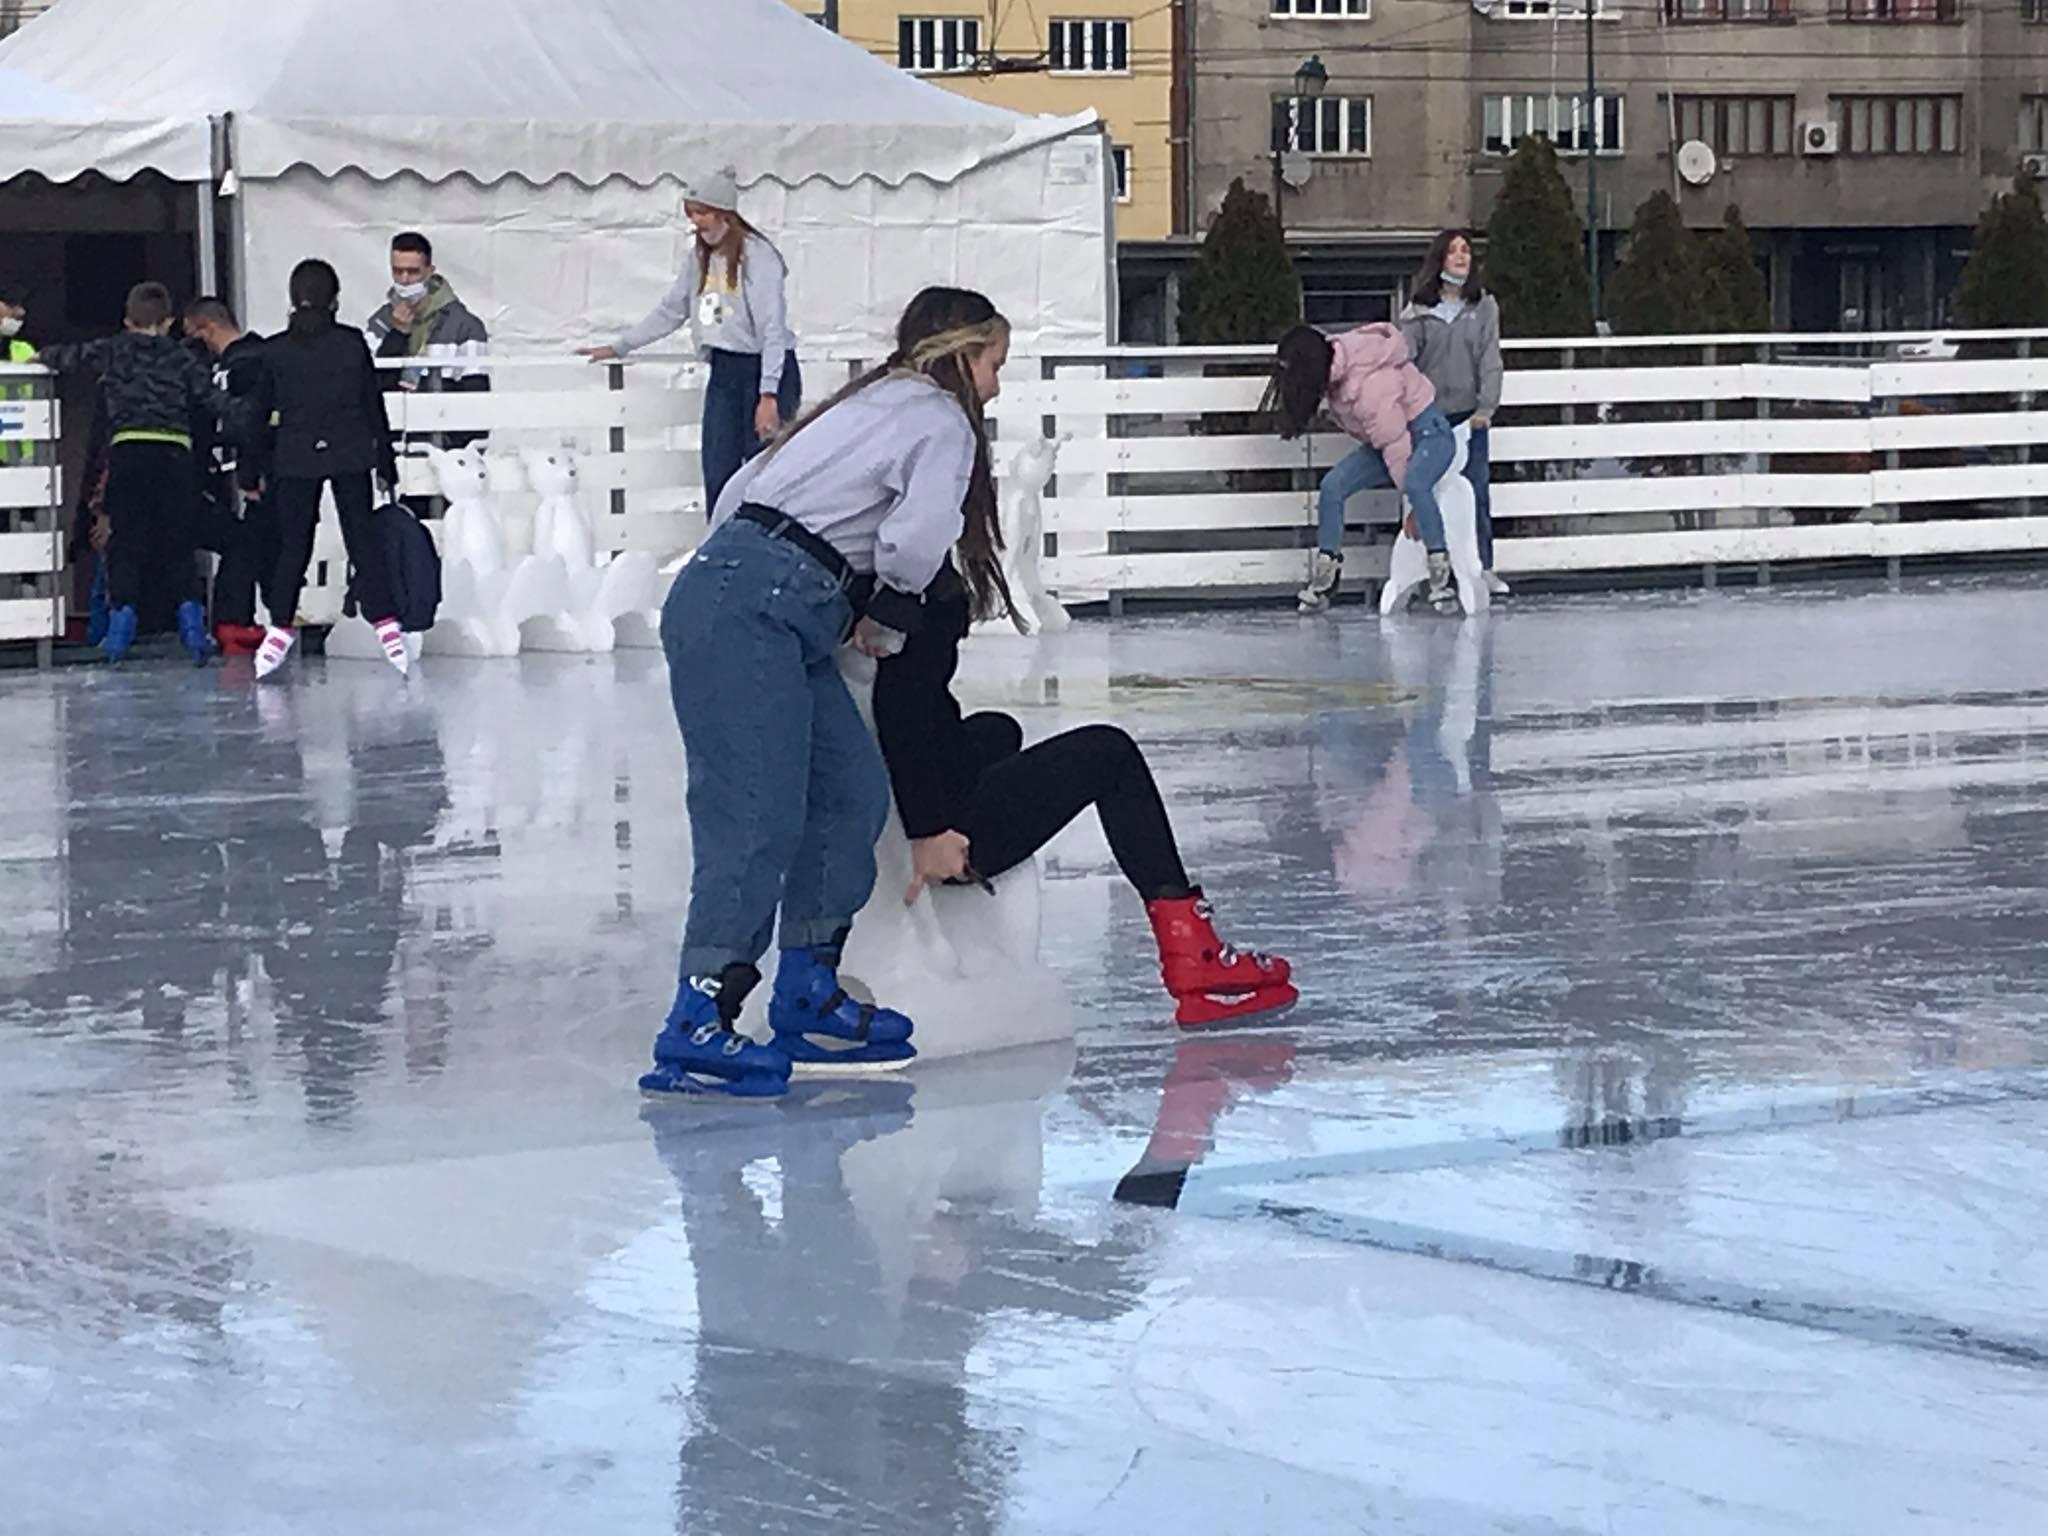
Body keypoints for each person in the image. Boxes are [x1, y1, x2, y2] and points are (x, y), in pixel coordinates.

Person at [644, 286, 1000, 1100]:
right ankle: (699, 1017)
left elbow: (739, 491)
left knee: (848, 794)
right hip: (754, 611)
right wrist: (888, 613)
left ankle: (807, 990)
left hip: (758, 597)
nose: (996, 386)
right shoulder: (943, 420)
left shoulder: (861, 401)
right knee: (756, 813)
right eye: (994, 365)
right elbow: (918, 536)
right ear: (962, 356)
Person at [871, 571, 1297, 1030]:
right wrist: (928, 829)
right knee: (1108, 755)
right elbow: (900, 704)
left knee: (998, 729)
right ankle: (1193, 952)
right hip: (918, 811)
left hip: (898, 774)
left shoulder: (878, 566)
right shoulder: (911, 573)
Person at [583, 166, 800, 517]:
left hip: (763, 368)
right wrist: (622, 345)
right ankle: (719, 544)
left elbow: (771, 328)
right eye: (692, 214)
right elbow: (672, 309)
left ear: (724, 213)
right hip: (726, 369)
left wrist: (769, 394)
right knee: (719, 468)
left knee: (764, 469)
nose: (696, 222)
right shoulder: (699, 259)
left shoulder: (758, 258)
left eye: (702, 213)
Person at [38, 281, 221, 665]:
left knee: (126, 544)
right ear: (170, 321)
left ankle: (119, 631)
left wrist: (33, 356)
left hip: (129, 451)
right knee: (177, 541)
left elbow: (66, 358)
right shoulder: (181, 357)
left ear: (127, 321)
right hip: (174, 454)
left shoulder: (112, 350)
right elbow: (212, 400)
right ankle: (192, 629)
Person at [251, 259, 408, 681]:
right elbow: (372, 405)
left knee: (293, 544)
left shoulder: (276, 350)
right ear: (335, 299)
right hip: (349, 449)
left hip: (296, 454)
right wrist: (386, 460)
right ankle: (387, 623)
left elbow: (259, 414)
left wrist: (252, 470)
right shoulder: (351, 343)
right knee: (362, 537)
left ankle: (280, 624)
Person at [1268, 323, 1458, 616]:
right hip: (1387, 438)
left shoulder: (1368, 385)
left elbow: (1397, 444)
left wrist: (1414, 508)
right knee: (1333, 486)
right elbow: (1386, 438)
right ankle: (1326, 575)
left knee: (1418, 484)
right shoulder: (1336, 371)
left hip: (1429, 435)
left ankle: (1442, 574)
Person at [1401, 229, 1508, 597]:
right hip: (1428, 419)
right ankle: (1425, 572)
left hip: (1469, 416)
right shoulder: (1417, 311)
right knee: (1425, 492)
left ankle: (1483, 567)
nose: (1461, 257)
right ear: (1439, 260)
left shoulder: (1483, 307)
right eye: (1453, 251)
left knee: (1475, 492)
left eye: (1466, 251)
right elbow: (1405, 363)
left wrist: (1486, 407)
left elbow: (1490, 359)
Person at [182, 296, 274, 649]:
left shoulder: (245, 364)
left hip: (249, 470)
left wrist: (250, 471)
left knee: (251, 542)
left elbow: (251, 422)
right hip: (222, 471)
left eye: (195, 334)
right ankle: (237, 620)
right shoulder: (229, 364)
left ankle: (236, 620)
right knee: (246, 542)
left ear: (208, 328)